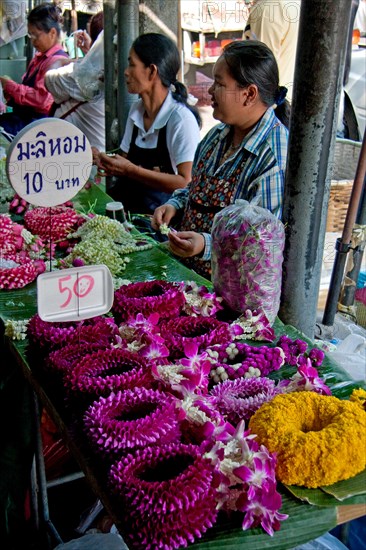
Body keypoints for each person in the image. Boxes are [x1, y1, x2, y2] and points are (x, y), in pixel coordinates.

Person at [152, 40, 290, 280]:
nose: (211, 90)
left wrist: (206, 245)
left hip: (233, 291)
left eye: (220, 83)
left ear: (249, 94)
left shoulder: (272, 155)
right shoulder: (217, 136)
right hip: (190, 274)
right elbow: (194, 189)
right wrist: (174, 205)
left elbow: (260, 241)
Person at [93, 32, 201, 215]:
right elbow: (124, 160)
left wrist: (131, 171)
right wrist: (102, 159)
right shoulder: (137, 110)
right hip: (129, 212)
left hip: (159, 221)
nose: (126, 72)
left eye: (132, 64)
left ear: (152, 71)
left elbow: (186, 183)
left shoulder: (180, 119)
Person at [0, 3, 69, 138]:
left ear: (52, 33)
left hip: (36, 128)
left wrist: (10, 86)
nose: (33, 41)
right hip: (22, 120)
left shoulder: (58, 62)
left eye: (36, 36)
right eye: (31, 36)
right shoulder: (39, 58)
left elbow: (43, 101)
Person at [45, 11, 105, 150]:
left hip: (87, 159)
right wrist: (90, 54)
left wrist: (65, 61)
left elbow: (49, 79)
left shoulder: (85, 77)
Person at [244, 0, 301, 102]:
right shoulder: (291, 3)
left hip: (272, 105)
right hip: (287, 101)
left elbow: (260, 70)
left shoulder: (269, 8)